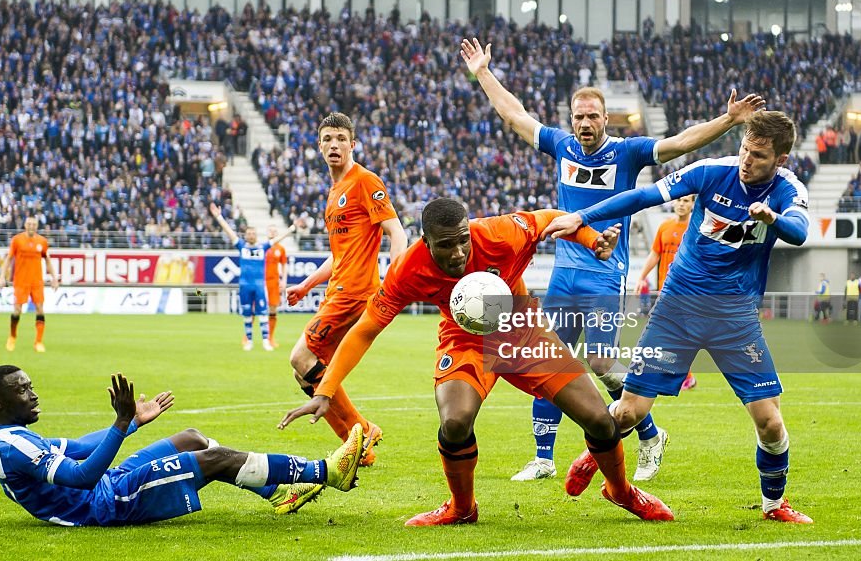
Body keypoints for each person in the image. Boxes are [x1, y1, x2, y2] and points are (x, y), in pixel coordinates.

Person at [460, 37, 765, 483]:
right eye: (578, 117)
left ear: (606, 119)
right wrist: (483, 72)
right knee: (547, 359)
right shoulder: (561, 147)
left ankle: (649, 434)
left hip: (606, 273)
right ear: (572, 119)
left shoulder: (627, 152)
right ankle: (543, 457)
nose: (584, 124)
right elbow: (514, 115)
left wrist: (729, 120)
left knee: (602, 364)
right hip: (565, 272)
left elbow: (680, 143)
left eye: (592, 117)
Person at [279, 199, 673, 526]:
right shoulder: (407, 270)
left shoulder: (500, 233)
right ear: (426, 243)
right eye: (446, 245)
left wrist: (590, 239)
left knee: (601, 421)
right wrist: (326, 389)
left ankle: (620, 492)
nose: (458, 253)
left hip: (523, 330)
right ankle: (462, 508)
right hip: (464, 341)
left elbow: (551, 220)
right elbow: (365, 329)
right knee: (454, 421)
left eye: (463, 242)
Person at [544, 110, 813, 523]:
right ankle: (596, 453)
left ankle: (774, 506)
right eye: (744, 149)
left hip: (734, 318)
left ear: (781, 159)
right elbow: (643, 197)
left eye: (758, 155)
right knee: (629, 411)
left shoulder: (787, 189)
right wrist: (583, 216)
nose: (746, 160)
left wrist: (772, 218)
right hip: (678, 309)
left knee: (770, 422)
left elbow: (798, 230)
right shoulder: (710, 171)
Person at [0, 366, 363, 526]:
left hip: (108, 484)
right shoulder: (16, 445)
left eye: (30, 386)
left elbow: (80, 447)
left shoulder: (13, 437)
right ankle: (327, 472)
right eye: (22, 390)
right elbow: (80, 477)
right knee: (214, 459)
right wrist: (118, 422)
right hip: (106, 504)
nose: (33, 395)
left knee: (190, 438)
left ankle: (278, 493)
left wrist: (130, 424)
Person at [284, 113, 408, 467]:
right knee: (305, 371)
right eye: (327, 139)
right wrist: (307, 283)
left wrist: (394, 281)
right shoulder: (334, 191)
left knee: (300, 357)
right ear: (319, 146)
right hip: (337, 290)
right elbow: (340, 253)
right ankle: (358, 446)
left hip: (354, 294)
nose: (334, 145)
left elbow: (396, 231)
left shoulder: (364, 181)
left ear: (352, 144)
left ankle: (361, 431)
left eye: (340, 138)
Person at [635, 194, 697, 394]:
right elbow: (655, 254)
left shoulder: (696, 229)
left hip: (687, 292)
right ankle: (684, 376)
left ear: (692, 205)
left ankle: (681, 376)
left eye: (686, 201)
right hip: (666, 291)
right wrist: (641, 277)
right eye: (679, 200)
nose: (681, 204)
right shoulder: (664, 227)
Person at [210, 205, 295, 351]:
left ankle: (265, 341)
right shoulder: (242, 246)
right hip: (244, 286)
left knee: (263, 313)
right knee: (247, 314)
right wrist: (219, 217)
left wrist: (291, 229)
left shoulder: (263, 248)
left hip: (259, 286)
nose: (250, 235)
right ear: (245, 235)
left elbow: (277, 239)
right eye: (248, 233)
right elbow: (229, 232)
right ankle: (249, 340)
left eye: (252, 233)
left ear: (256, 235)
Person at [0, 217, 60, 353]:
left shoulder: (42, 242)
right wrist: (2, 277)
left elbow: (48, 260)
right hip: (20, 281)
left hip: (37, 281)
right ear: (25, 225)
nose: (31, 226)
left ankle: (38, 342)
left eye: (34, 224)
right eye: (29, 224)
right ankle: (12, 337)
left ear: (37, 226)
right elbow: (8, 259)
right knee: (17, 310)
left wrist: (54, 278)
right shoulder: (17, 240)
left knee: (40, 309)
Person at [265, 224, 289, 349]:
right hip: (261, 282)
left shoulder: (281, 249)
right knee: (254, 309)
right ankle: (247, 337)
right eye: (270, 230)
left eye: (275, 231)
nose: (272, 233)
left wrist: (284, 280)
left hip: (274, 282)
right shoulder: (262, 247)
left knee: (273, 309)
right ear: (267, 232)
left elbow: (284, 265)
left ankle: (270, 338)